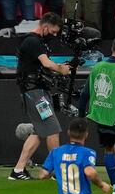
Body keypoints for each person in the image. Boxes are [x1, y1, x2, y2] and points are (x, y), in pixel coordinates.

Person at [8, 12, 70, 180]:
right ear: (45, 27)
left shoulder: (38, 41)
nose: (54, 35)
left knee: (38, 131)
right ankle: (57, 171)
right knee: (53, 129)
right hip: (35, 93)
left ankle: (18, 170)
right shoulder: (33, 41)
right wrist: (61, 69)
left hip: (37, 91)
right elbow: (47, 63)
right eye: (53, 31)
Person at [79, 37, 115, 194]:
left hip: (101, 116)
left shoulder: (97, 67)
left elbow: (85, 94)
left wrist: (82, 117)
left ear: (112, 49)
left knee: (109, 149)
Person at [38, 118, 111, 194]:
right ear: (86, 134)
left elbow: (43, 175)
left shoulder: (56, 152)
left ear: (68, 132)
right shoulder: (88, 152)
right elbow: (90, 172)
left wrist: (57, 171)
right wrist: (102, 184)